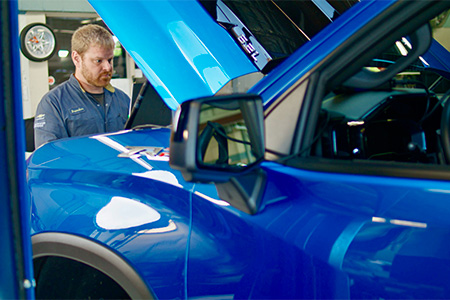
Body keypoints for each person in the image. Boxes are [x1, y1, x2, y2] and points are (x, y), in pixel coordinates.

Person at [34, 24, 130, 148]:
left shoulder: (122, 100)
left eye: (110, 60)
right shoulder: (54, 103)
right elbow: (48, 155)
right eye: (98, 61)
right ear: (77, 58)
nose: (108, 67)